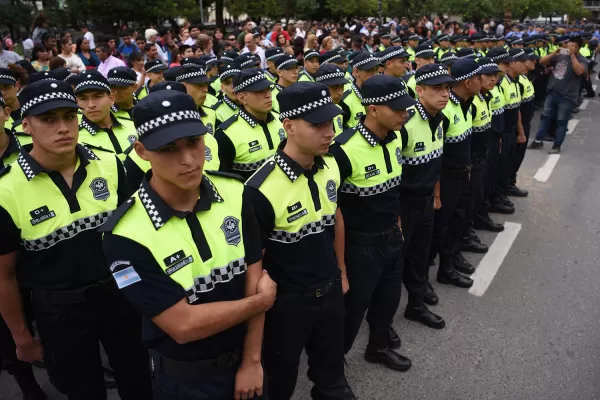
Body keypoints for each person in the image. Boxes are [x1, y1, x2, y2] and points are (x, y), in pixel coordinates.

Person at [0, 79, 152, 399]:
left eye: (69, 116)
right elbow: (5, 275)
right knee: (83, 390)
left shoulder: (109, 163)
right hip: (58, 308)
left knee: (139, 380)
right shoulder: (6, 189)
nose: (63, 127)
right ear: (25, 125)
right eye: (49, 119)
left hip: (119, 294)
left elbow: (132, 235)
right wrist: (22, 336)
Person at [245, 82, 355, 400]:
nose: (329, 132)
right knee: (280, 379)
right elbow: (255, 265)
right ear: (289, 126)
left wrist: (342, 271)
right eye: (317, 124)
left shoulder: (330, 165)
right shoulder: (260, 189)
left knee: (332, 371)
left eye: (331, 122)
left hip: (330, 291)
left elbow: (335, 219)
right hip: (287, 305)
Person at [329, 75, 415, 372]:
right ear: (373, 109)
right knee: (352, 312)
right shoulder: (343, 149)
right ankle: (332, 371)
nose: (404, 114)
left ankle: (377, 347)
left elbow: (393, 190)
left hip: (391, 238)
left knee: (387, 302)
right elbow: (332, 209)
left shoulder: (396, 138)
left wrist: (398, 225)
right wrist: (340, 265)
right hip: (360, 247)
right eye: (397, 108)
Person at [398, 63, 454, 326]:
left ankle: (416, 304)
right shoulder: (405, 122)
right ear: (419, 90)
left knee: (421, 255)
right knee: (396, 262)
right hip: (404, 206)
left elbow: (436, 163)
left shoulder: (439, 119)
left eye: (447, 88)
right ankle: (380, 326)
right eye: (437, 89)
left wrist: (437, 194)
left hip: (426, 202)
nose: (444, 94)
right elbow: (394, 175)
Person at [428, 60, 482, 288]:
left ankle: (448, 266)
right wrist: (438, 193)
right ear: (468, 82)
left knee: (457, 222)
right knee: (439, 229)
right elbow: (437, 157)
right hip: (446, 180)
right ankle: (422, 281)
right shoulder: (445, 110)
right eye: (479, 78)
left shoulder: (468, 104)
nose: (483, 81)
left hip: (463, 175)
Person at [215, 69, 285, 180]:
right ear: (242, 97)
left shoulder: (281, 120)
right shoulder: (226, 135)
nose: (268, 95)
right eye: (260, 91)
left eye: (268, 89)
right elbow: (223, 182)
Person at [529, 35, 587, 154]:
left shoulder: (582, 59)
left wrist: (572, 55)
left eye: (572, 45)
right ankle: (538, 141)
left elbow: (580, 71)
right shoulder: (560, 56)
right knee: (545, 118)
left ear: (578, 47)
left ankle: (557, 145)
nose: (568, 47)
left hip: (567, 96)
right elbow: (541, 61)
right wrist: (554, 53)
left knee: (561, 121)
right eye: (568, 44)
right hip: (552, 93)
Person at [74, 70, 138, 158]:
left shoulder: (133, 125)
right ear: (77, 103)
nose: (91, 105)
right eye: (83, 98)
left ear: (111, 99)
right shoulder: (75, 139)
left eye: (97, 97)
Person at [339, 52, 380, 128]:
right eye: (370, 70)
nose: (375, 74)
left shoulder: (382, 94)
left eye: (376, 70)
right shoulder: (345, 101)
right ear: (356, 72)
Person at [314, 64, 348, 135]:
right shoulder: (311, 116)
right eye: (334, 87)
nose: (340, 93)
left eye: (342, 86)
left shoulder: (339, 109)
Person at [212, 61, 242, 126]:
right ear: (222, 88)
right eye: (227, 83)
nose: (233, 86)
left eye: (236, 80)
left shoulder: (253, 103)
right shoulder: (216, 113)